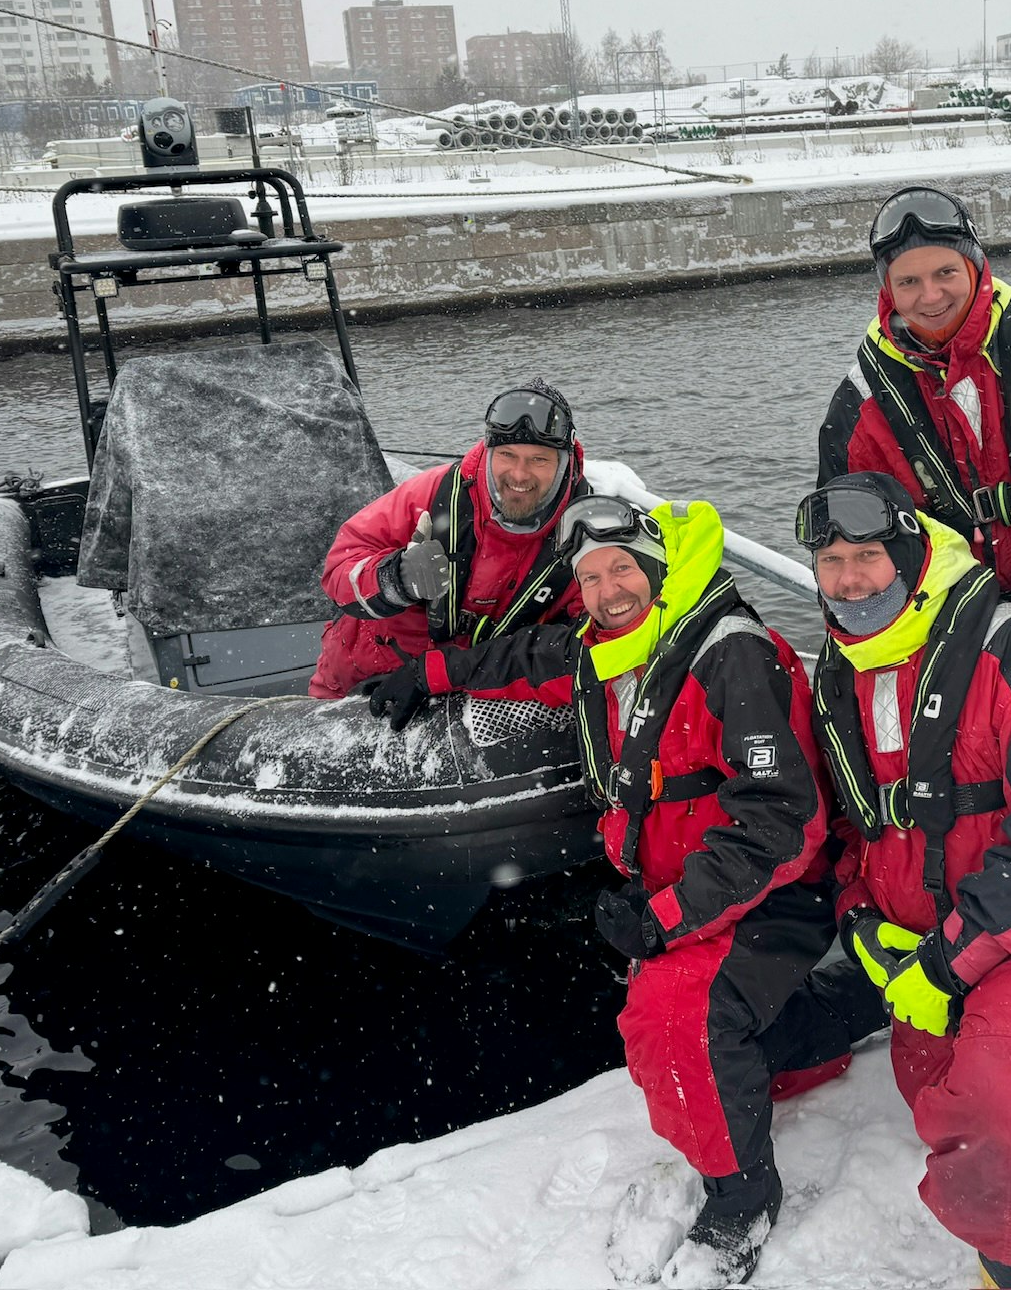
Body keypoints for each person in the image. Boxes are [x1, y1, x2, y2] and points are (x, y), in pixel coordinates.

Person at [362, 494, 882, 1289]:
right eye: (592, 576)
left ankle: (742, 1197)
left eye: (623, 570)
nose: (607, 591)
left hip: (772, 893)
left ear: (659, 570)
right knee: (670, 1044)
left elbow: (783, 822)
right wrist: (428, 672)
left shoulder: (731, 657)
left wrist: (664, 918)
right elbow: (522, 658)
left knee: (672, 1025)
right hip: (692, 889)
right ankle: (805, 1039)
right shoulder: (601, 648)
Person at [799, 471, 1011, 1290]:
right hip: (922, 930)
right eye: (830, 563)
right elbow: (854, 823)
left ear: (912, 554)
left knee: (1000, 1108)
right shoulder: (837, 669)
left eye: (867, 557)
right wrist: (860, 916)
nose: (848, 580)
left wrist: (949, 961)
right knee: (931, 1089)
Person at [818, 185, 1011, 685]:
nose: (931, 296)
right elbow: (844, 545)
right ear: (887, 289)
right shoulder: (861, 401)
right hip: (946, 636)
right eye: (909, 281)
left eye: (945, 273)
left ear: (977, 268)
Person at [309, 379, 589, 701]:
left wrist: (441, 672)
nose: (520, 474)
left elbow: (582, 647)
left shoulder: (585, 536)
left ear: (564, 462)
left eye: (539, 459)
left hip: (473, 691)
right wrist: (395, 578)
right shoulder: (433, 493)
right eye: (507, 455)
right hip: (356, 679)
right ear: (488, 452)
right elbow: (340, 569)